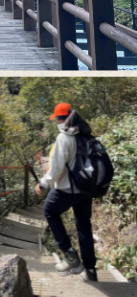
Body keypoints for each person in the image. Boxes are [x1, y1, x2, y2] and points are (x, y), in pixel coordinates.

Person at [35, 102, 98, 282]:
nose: (57, 123)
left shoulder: (64, 138)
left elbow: (55, 170)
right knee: (84, 227)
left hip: (67, 189)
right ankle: (90, 271)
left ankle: (70, 256)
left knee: (49, 211)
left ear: (62, 119)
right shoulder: (86, 135)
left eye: (57, 119)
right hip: (85, 189)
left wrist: (42, 184)